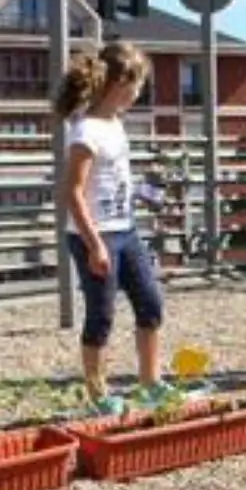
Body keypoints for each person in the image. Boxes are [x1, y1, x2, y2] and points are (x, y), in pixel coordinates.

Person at [56, 42, 168, 415]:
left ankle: (150, 384)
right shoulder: (85, 129)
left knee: (150, 304)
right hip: (95, 235)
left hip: (126, 229)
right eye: (137, 83)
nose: (139, 91)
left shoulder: (116, 124)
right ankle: (97, 395)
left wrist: (148, 194)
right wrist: (94, 245)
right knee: (101, 315)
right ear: (118, 82)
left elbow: (115, 179)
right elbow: (72, 192)